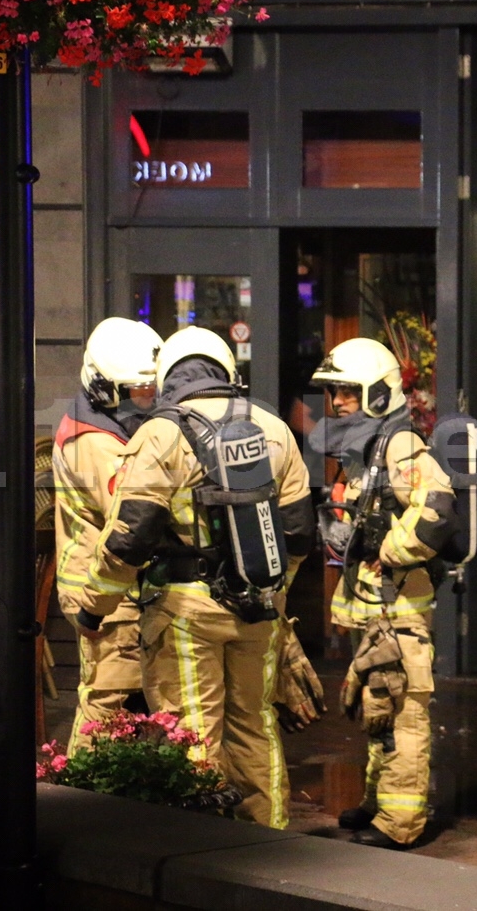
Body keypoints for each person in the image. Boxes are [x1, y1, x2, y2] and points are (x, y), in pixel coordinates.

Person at [76, 326, 315, 828]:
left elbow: (129, 538)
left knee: (192, 736)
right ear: (228, 371)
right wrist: (272, 590)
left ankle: (204, 858)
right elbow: (298, 535)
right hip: (258, 610)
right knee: (257, 729)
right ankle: (270, 846)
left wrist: (94, 607)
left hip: (184, 615)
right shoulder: (274, 428)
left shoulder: (160, 433)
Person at [308, 338, 456, 850]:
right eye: (335, 392)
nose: (339, 401)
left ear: (377, 392)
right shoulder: (366, 447)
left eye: (349, 391)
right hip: (376, 608)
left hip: (400, 608)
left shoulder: (400, 444)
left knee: (404, 715)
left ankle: (400, 824)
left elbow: (437, 507)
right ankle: (379, 804)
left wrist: (391, 549)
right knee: (381, 708)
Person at [53, 317, 163, 752]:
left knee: (132, 706)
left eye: (151, 390)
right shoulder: (95, 442)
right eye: (136, 392)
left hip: (115, 582)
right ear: (102, 387)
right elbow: (130, 516)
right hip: (101, 590)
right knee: (107, 702)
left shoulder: (110, 424)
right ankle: (84, 795)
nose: (146, 402)